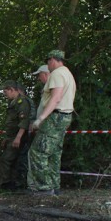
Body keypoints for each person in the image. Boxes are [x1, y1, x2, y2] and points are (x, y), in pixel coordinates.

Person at [28, 50, 76, 196]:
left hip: (55, 117)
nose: (47, 65)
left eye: (48, 61)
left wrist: (40, 119)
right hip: (65, 116)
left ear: (53, 60)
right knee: (54, 152)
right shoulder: (68, 73)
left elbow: (55, 98)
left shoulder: (57, 74)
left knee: (38, 151)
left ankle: (44, 188)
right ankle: (55, 186)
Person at [0, 80, 31, 191]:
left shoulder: (22, 102)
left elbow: (24, 121)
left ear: (12, 90)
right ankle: (10, 185)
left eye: (6, 92)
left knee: (7, 160)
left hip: (18, 137)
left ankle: (9, 185)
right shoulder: (13, 103)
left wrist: (18, 137)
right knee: (9, 161)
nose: (5, 95)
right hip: (11, 137)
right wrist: (6, 138)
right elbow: (10, 123)